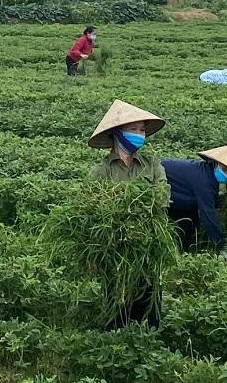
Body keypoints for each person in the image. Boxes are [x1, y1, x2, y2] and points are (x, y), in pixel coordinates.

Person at [88, 99, 166, 329]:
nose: (139, 134)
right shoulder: (101, 172)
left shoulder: (152, 165)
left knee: (150, 302)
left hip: (149, 244)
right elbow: (93, 210)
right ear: (117, 134)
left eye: (142, 130)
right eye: (133, 129)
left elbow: (162, 196)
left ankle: (149, 340)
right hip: (115, 247)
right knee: (118, 304)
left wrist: (127, 204)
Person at [162, 144, 227, 251]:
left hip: (180, 192)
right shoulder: (204, 180)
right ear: (217, 163)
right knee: (194, 216)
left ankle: (184, 250)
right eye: (224, 169)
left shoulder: (207, 173)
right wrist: (221, 244)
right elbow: (207, 213)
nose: (226, 174)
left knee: (191, 221)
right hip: (162, 184)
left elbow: (210, 200)